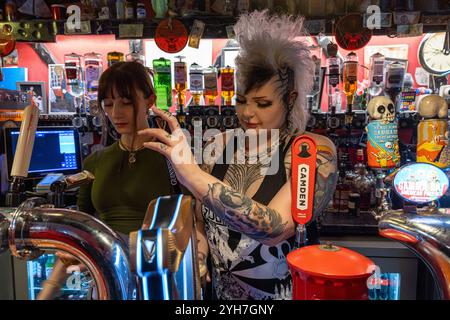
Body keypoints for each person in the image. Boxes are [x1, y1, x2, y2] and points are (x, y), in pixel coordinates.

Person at [138, 11, 338, 300]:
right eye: (241, 101)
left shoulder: (313, 151)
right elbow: (200, 221)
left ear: (290, 99)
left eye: (263, 103)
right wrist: (200, 255)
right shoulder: (218, 146)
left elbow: (275, 228)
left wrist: (191, 173)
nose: (247, 113)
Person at [37, 61, 175, 300]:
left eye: (126, 102)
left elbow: (190, 221)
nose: (115, 113)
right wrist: (49, 289)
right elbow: (82, 228)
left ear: (149, 102)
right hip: (107, 281)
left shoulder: (171, 158)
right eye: (108, 104)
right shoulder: (96, 161)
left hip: (159, 280)